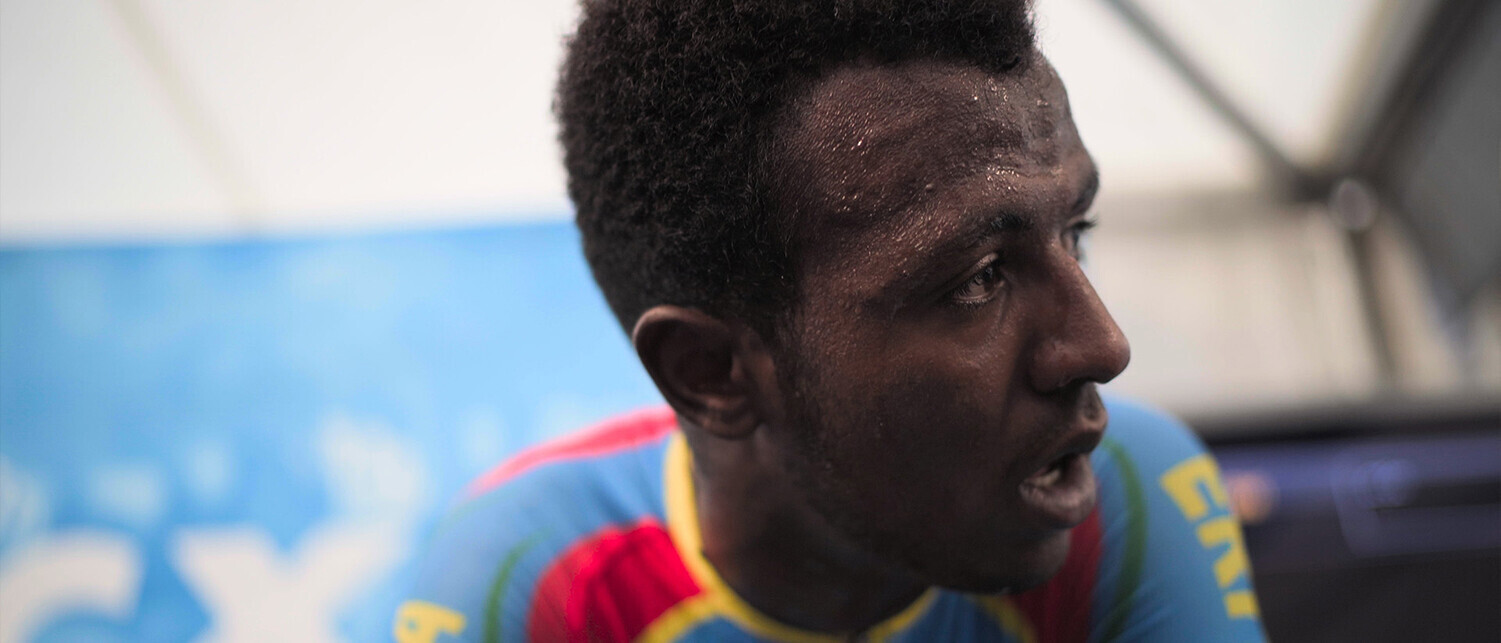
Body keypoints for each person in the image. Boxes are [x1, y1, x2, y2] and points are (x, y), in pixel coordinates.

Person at [394, 0, 1266, 640]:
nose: (1101, 344)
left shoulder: (1127, 498)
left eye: (1075, 230)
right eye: (979, 278)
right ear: (711, 370)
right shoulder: (529, 583)